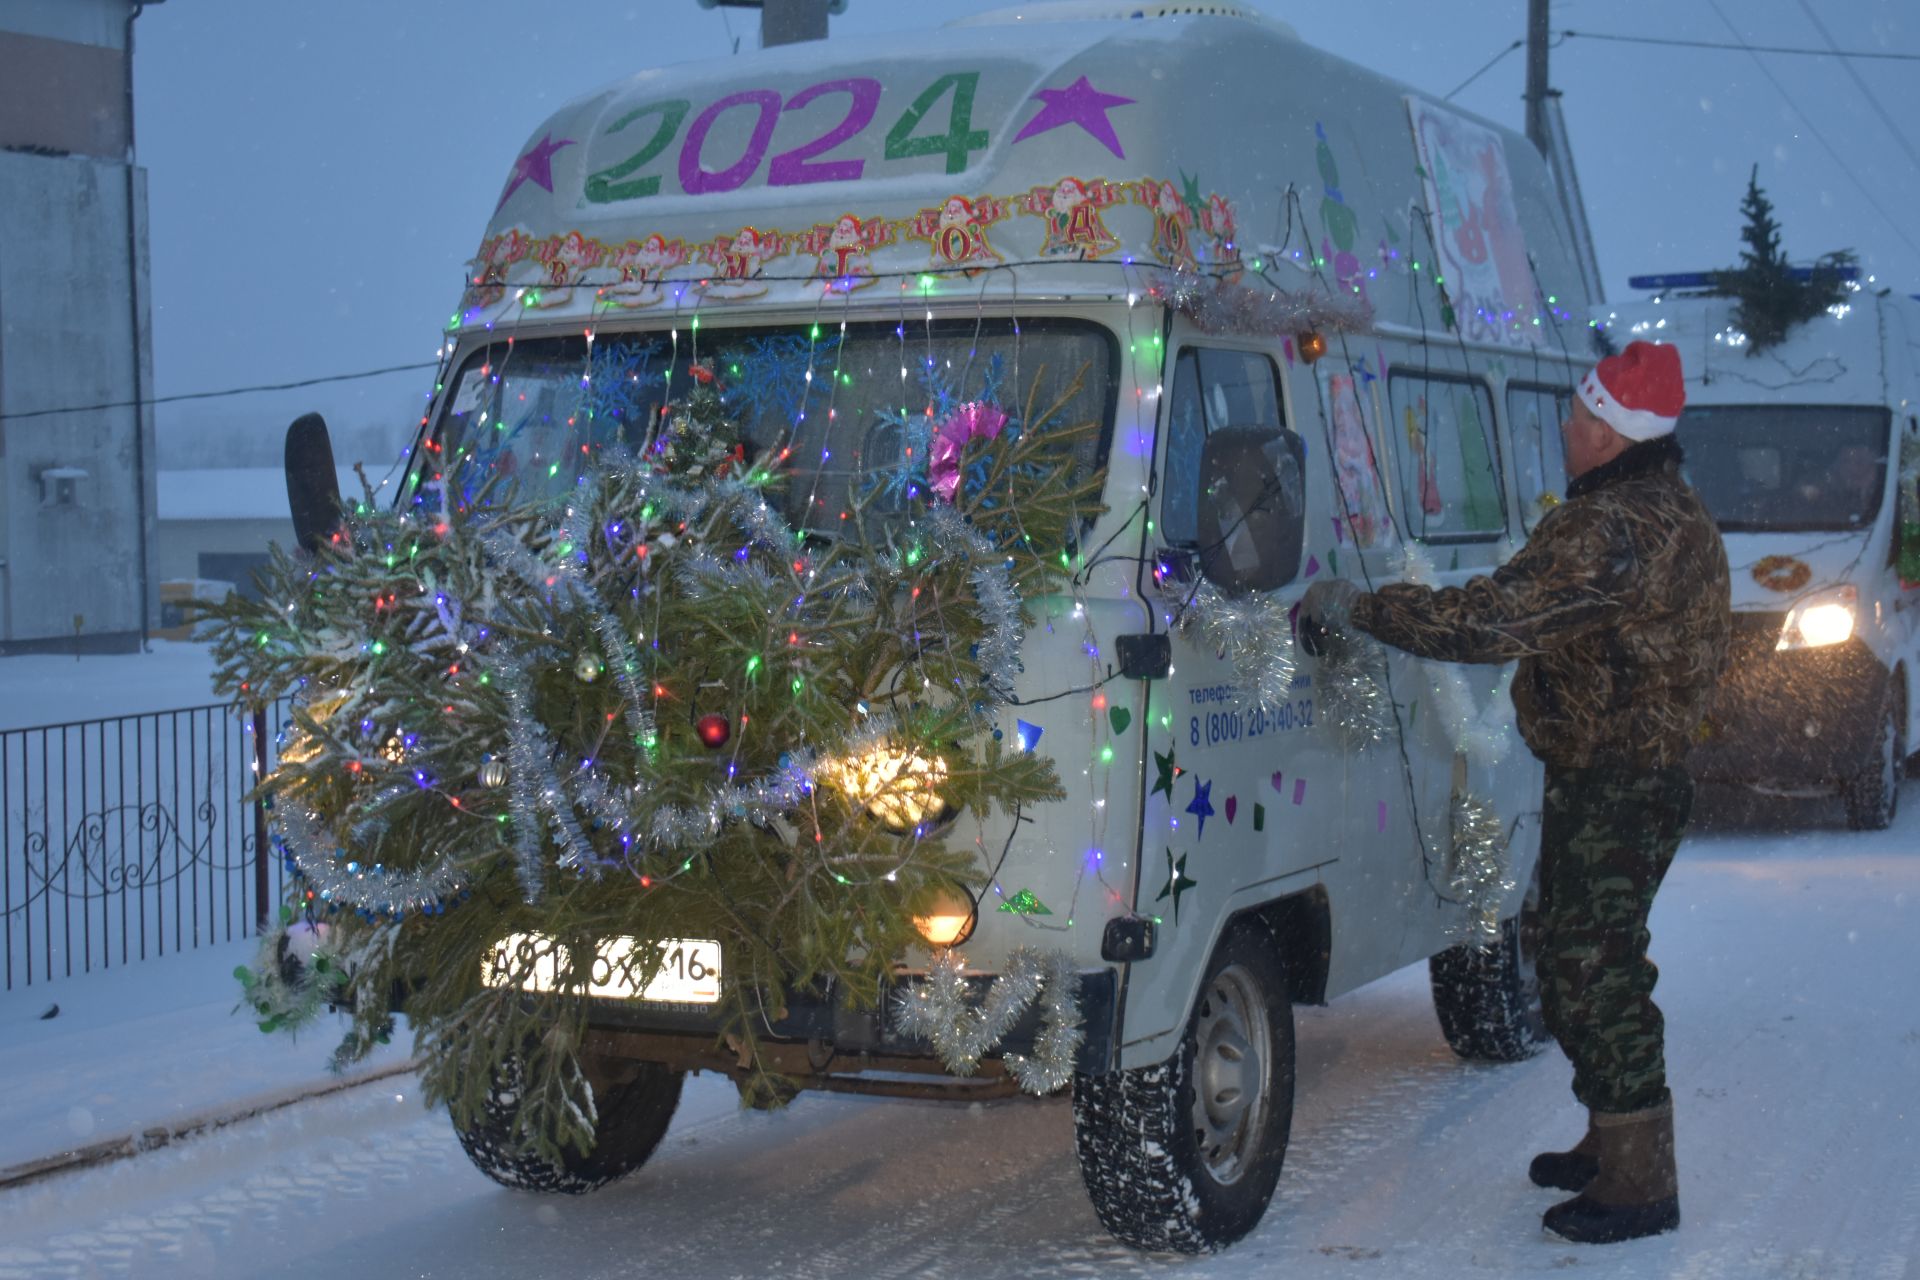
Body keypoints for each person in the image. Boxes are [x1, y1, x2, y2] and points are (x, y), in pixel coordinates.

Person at [1300, 341, 1731, 1245]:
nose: (1565, 430)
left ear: (1611, 436)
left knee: (1590, 969)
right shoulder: (1666, 509)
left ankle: (1641, 1180)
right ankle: (1611, 1137)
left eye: (1578, 419)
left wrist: (1365, 609)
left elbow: (1491, 620)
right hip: (1626, 775)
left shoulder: (1610, 531)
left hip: (1617, 781)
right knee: (1582, 957)